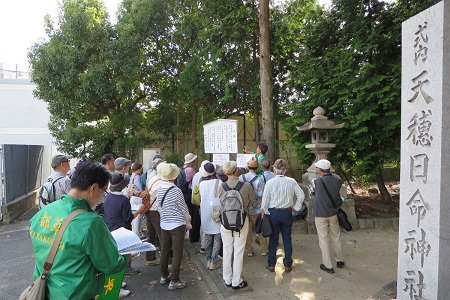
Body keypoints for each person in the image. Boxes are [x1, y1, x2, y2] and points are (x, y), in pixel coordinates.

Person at [29, 163, 127, 300]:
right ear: (93, 188)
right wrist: (124, 258)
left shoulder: (44, 212)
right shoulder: (90, 222)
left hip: (44, 291)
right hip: (75, 294)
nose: (102, 196)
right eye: (104, 191)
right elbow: (111, 265)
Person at [261, 159, 304, 273]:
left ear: (274, 169)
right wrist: (296, 207)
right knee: (287, 239)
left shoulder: (270, 182)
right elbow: (301, 195)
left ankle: (271, 264)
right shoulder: (291, 181)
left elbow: (265, 200)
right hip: (287, 212)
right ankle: (288, 265)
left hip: (273, 213)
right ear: (285, 170)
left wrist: (265, 211)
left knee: (273, 239)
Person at [217, 161, 254, 290]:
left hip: (226, 222)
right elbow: (251, 201)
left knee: (227, 250)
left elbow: (220, 202)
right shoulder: (247, 185)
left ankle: (227, 278)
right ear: (236, 170)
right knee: (239, 251)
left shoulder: (222, 186)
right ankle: (236, 281)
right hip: (242, 221)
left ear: (226, 173)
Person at [103, 172, 146, 278]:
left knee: (117, 251)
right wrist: (140, 210)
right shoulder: (124, 200)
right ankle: (127, 268)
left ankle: (121, 269)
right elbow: (128, 218)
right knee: (127, 250)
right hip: (122, 229)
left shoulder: (108, 196)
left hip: (110, 227)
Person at [158, 163, 192, 291]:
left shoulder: (160, 188)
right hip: (177, 224)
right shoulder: (176, 190)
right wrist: (188, 219)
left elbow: (160, 206)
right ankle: (175, 280)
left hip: (164, 223)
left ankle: (164, 276)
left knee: (164, 250)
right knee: (177, 253)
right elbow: (184, 208)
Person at [310, 159, 345, 274]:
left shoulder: (316, 181)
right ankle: (339, 260)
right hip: (333, 213)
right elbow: (337, 195)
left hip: (320, 214)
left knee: (323, 240)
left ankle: (328, 265)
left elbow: (312, 193)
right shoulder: (338, 180)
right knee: (336, 236)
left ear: (320, 170)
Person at [239, 157, 267, 257]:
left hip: (245, 208)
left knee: (247, 231)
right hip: (257, 209)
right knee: (260, 230)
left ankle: (249, 250)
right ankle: (264, 250)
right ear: (257, 167)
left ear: (247, 167)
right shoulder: (260, 179)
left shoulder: (241, 178)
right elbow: (261, 195)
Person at [199, 162, 222, 270]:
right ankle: (214, 261)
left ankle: (208, 260)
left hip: (205, 212)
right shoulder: (219, 182)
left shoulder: (201, 184)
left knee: (208, 238)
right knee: (217, 238)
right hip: (216, 212)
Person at [144, 158, 165, 266]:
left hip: (148, 208)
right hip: (155, 211)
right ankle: (167, 261)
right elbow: (160, 202)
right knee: (162, 235)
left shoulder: (152, 178)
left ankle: (150, 258)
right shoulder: (161, 182)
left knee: (150, 234)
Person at [191, 160, 210, 253]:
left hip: (197, 201)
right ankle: (204, 244)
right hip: (206, 203)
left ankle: (200, 241)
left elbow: (193, 187)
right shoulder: (207, 180)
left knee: (200, 221)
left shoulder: (196, 175)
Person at [182, 153, 199, 242]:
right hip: (189, 193)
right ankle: (190, 233)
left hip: (183, 193)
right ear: (191, 161)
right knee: (191, 213)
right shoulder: (190, 170)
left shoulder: (182, 169)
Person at [129, 162, 145, 238]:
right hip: (138, 198)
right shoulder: (137, 177)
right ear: (138, 169)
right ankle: (137, 234)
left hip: (132, 197)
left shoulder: (131, 176)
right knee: (138, 217)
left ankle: (135, 232)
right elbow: (139, 188)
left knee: (134, 216)